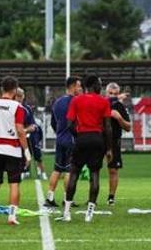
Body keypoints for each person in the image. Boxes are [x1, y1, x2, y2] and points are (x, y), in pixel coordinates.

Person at [57, 74, 113, 223]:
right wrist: (109, 149)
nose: (101, 86)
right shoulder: (104, 101)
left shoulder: (76, 100)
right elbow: (107, 127)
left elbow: (69, 124)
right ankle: (89, 214)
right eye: (100, 84)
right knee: (94, 174)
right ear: (94, 85)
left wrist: (79, 135)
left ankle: (67, 213)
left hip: (82, 138)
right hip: (97, 139)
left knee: (74, 172)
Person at [0, 76, 31, 225]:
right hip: (13, 150)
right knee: (14, 183)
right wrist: (27, 152)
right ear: (15, 90)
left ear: (2, 89)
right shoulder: (18, 107)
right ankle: (12, 216)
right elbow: (20, 130)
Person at [45, 76, 82, 208]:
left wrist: (59, 133)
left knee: (57, 169)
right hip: (71, 139)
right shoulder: (76, 101)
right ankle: (67, 199)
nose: (80, 88)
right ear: (73, 86)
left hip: (60, 139)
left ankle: (50, 197)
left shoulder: (57, 102)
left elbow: (53, 122)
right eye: (79, 86)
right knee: (69, 171)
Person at [105, 83, 131, 206]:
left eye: (115, 94)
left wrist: (119, 118)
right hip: (98, 140)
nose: (113, 96)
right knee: (93, 169)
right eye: (110, 93)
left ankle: (111, 197)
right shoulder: (100, 104)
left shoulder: (120, 107)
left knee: (113, 170)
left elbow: (128, 127)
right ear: (106, 93)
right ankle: (91, 198)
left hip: (114, 141)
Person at [15, 88, 43, 180]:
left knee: (31, 155)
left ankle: (39, 172)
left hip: (26, 137)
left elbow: (32, 125)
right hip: (13, 137)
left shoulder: (27, 109)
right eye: (18, 96)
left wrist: (25, 130)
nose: (20, 98)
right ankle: (20, 172)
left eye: (21, 96)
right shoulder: (11, 107)